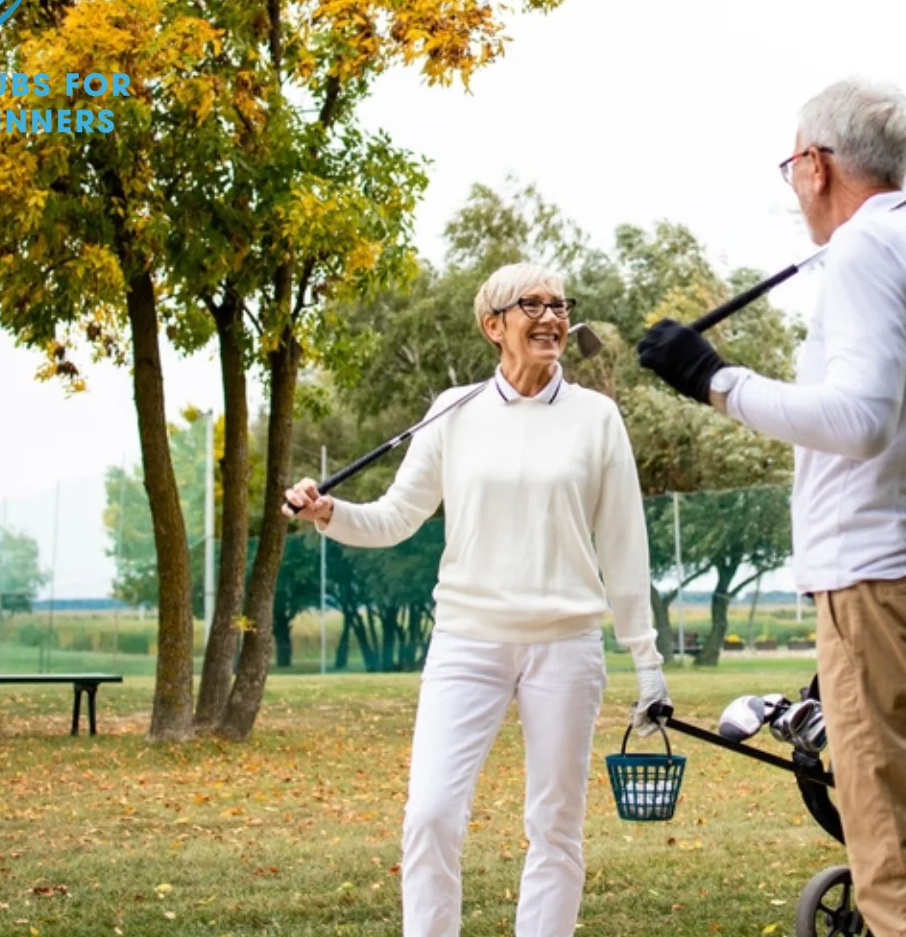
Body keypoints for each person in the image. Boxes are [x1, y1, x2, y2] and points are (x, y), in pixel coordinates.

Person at [636, 78, 906, 937]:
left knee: (904, 877)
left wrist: (713, 378)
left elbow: (858, 419)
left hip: (880, 589)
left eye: (791, 164)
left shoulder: (864, 251)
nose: (793, 182)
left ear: (815, 165)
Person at [284, 262, 668, 937]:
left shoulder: (596, 418)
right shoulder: (452, 412)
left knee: (556, 828)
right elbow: (397, 516)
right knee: (430, 814)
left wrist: (648, 661)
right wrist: (328, 512)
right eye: (532, 305)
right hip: (469, 640)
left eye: (559, 304)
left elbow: (625, 547)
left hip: (566, 645)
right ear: (494, 326)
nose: (551, 317)